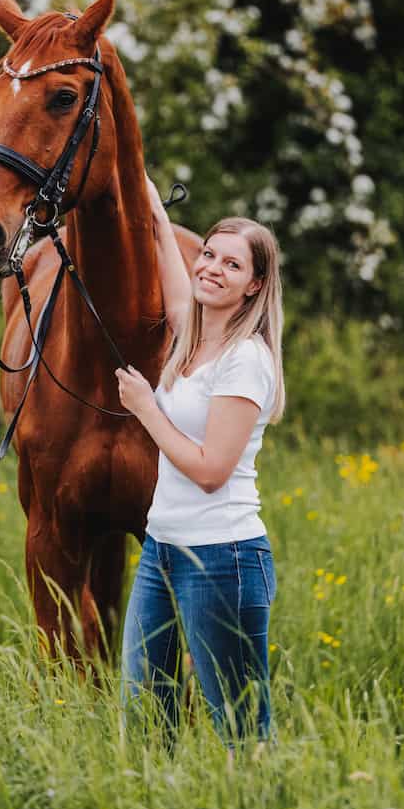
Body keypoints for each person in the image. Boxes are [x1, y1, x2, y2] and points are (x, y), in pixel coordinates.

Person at [115, 175, 285, 750]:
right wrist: (148, 198)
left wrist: (145, 409)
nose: (211, 267)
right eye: (209, 254)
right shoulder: (191, 336)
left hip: (222, 559)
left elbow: (212, 470)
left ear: (254, 285)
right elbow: (169, 257)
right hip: (160, 552)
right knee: (146, 717)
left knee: (241, 730)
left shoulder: (245, 361)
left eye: (231, 265)